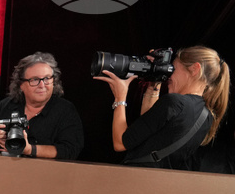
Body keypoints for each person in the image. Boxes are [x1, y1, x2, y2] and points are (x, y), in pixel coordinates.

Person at [94, 46, 230, 171]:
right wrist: (155, 81)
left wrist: (120, 97)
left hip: (137, 178)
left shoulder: (175, 103)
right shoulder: (207, 117)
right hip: (161, 184)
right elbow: (150, 125)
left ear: (195, 69)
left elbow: (120, 143)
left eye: (174, 69)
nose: (169, 75)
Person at [0, 52, 84, 160]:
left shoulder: (65, 110)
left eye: (47, 79)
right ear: (21, 85)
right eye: (35, 80)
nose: (42, 85)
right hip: (4, 172)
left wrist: (30, 150)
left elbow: (70, 150)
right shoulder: (5, 106)